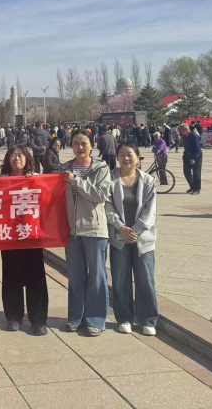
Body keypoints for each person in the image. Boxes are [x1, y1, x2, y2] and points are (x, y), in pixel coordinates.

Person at [62, 129, 112, 336]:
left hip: (94, 230)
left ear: (92, 145)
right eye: (76, 143)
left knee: (97, 277)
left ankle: (96, 320)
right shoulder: (63, 169)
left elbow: (100, 195)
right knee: (75, 277)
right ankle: (76, 317)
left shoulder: (101, 168)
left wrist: (76, 180)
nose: (80, 147)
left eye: (84, 143)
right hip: (71, 232)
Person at [105, 143, 158, 336]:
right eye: (122, 155)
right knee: (121, 279)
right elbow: (107, 206)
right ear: (117, 158)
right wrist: (121, 227)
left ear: (137, 157)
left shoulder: (148, 181)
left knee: (145, 280)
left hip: (142, 238)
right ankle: (125, 318)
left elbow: (150, 212)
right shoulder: (110, 179)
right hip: (119, 237)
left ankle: (148, 320)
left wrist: (134, 230)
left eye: (129, 154)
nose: (126, 158)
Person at [0, 145, 49, 335]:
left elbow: (48, 199)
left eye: (20, 155)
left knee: (36, 277)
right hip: (9, 235)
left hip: (31, 235)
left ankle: (38, 320)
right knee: (11, 275)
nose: (16, 158)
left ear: (27, 158)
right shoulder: (0, 180)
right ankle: (13, 317)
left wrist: (36, 183)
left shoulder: (36, 178)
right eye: (12, 155)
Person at [178, 124, 202, 195]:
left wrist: (194, 158)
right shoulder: (185, 136)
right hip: (187, 155)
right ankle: (192, 186)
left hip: (195, 155)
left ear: (186, 129)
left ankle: (197, 189)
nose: (180, 132)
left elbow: (197, 149)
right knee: (186, 171)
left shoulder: (194, 136)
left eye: (181, 131)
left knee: (196, 173)